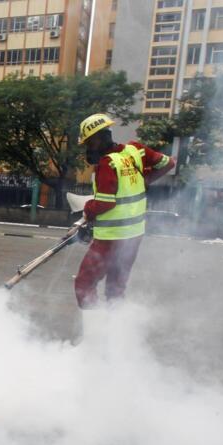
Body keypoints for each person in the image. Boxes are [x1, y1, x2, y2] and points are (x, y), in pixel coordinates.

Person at [75, 113, 175, 308]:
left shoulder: (107, 164)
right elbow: (168, 163)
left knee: (84, 285)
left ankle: (95, 323)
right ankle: (117, 324)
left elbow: (105, 203)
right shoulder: (134, 150)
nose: (88, 149)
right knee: (116, 287)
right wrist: (147, 179)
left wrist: (87, 210)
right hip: (133, 236)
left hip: (111, 238)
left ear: (99, 138)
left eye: (89, 143)